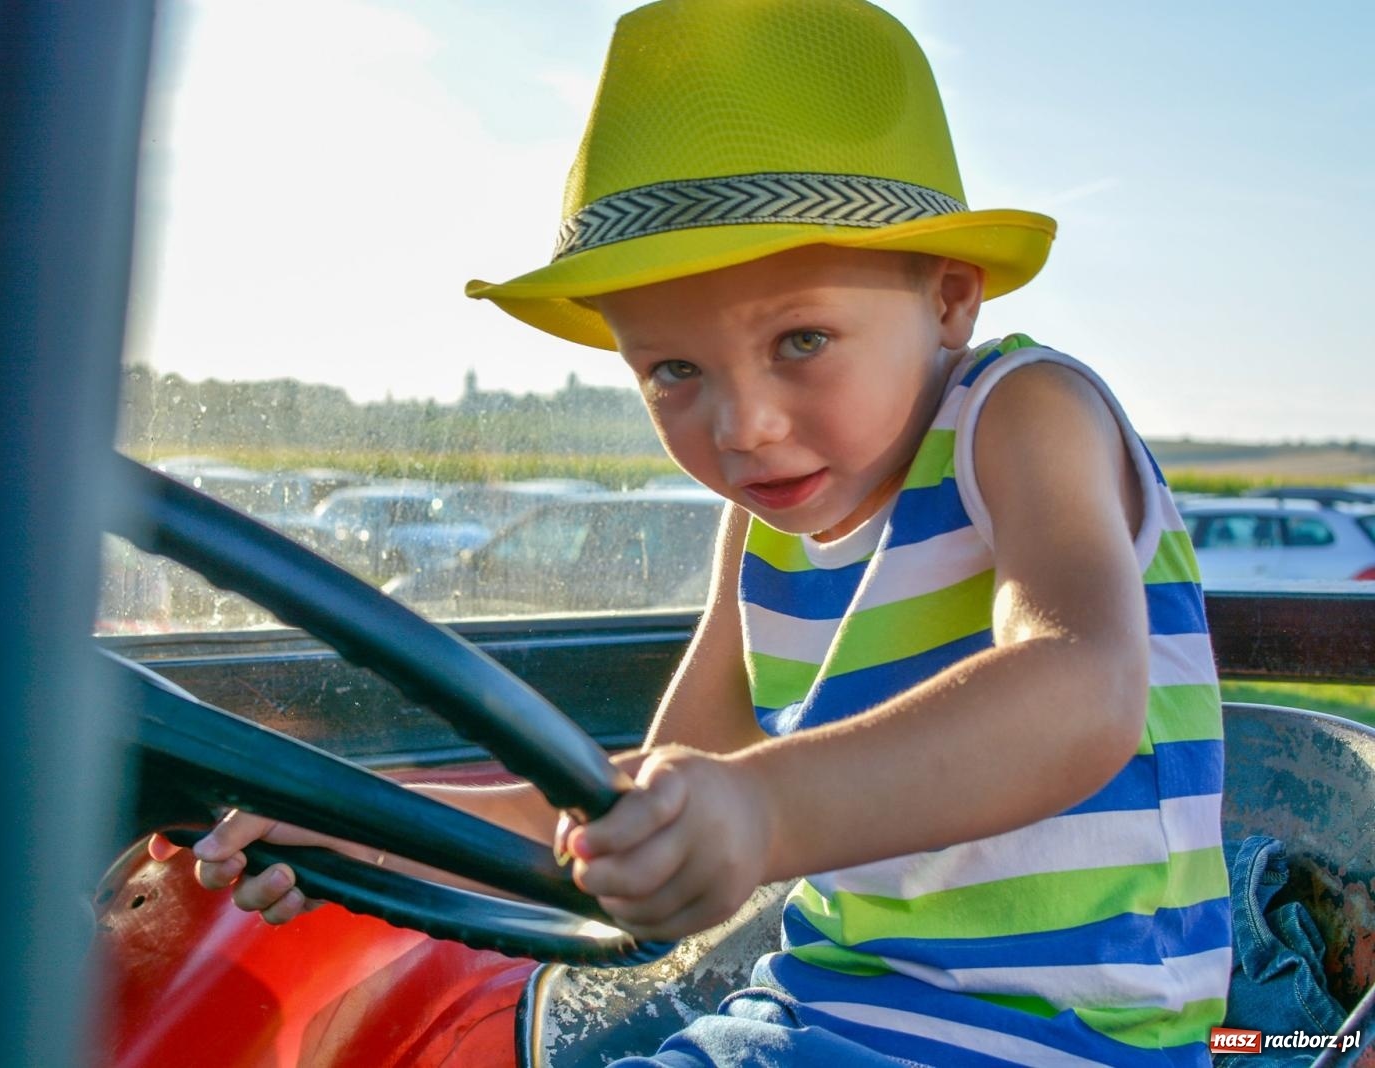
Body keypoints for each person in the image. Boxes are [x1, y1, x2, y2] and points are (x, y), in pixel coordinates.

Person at [177, 0, 1229, 1062]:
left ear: (950, 301)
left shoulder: (1020, 412)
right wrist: (379, 822)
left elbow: (1081, 688)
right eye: (673, 370)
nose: (743, 430)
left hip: (1070, 1037)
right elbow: (646, 800)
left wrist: (763, 812)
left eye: (802, 338)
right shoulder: (761, 531)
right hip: (817, 1012)